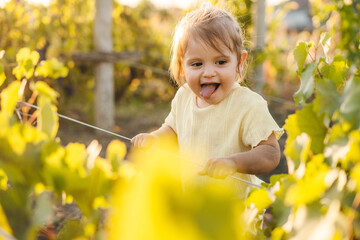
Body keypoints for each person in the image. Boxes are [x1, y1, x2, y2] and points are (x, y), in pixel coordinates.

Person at [131, 2, 283, 198]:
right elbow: (173, 129)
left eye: (221, 62)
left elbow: (270, 153)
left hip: (237, 213)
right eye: (197, 64)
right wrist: (155, 138)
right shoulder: (184, 97)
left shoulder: (248, 105)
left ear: (239, 62)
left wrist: (233, 162)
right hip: (197, 205)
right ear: (182, 67)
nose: (209, 73)